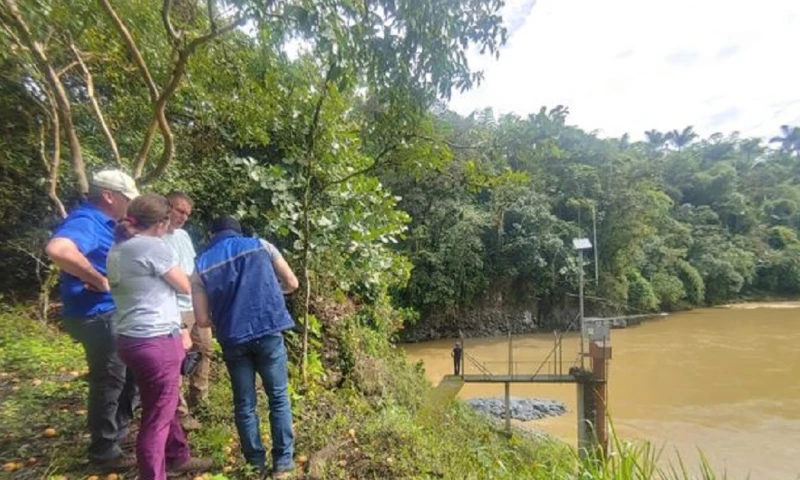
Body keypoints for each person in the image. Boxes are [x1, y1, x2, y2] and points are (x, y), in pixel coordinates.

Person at [107, 193, 212, 479]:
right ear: (162, 222)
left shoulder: (118, 248)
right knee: (156, 419)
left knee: (161, 403)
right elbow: (184, 285)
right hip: (156, 341)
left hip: (130, 337)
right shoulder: (152, 246)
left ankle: (178, 455)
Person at [45, 169, 140, 471]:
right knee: (110, 380)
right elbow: (58, 249)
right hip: (98, 314)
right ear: (109, 196)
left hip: (111, 313)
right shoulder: (87, 220)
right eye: (127, 198)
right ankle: (104, 452)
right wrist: (97, 279)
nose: (130, 204)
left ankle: (118, 434)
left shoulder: (109, 223)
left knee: (128, 375)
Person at [191, 216, 299, 478]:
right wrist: (273, 292)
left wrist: (225, 316)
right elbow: (292, 283)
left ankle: (255, 464)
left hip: (233, 339)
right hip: (268, 330)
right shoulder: (261, 245)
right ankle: (283, 464)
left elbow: (203, 320)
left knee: (244, 404)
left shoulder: (200, 265)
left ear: (210, 235)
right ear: (239, 233)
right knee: (278, 398)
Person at [162, 191, 211, 430]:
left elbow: (192, 270)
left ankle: (200, 403)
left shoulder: (182, 236)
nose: (182, 217)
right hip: (171, 307)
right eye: (179, 210)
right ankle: (180, 412)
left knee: (204, 350)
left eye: (187, 214)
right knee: (176, 360)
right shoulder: (155, 238)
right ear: (166, 206)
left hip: (193, 304)